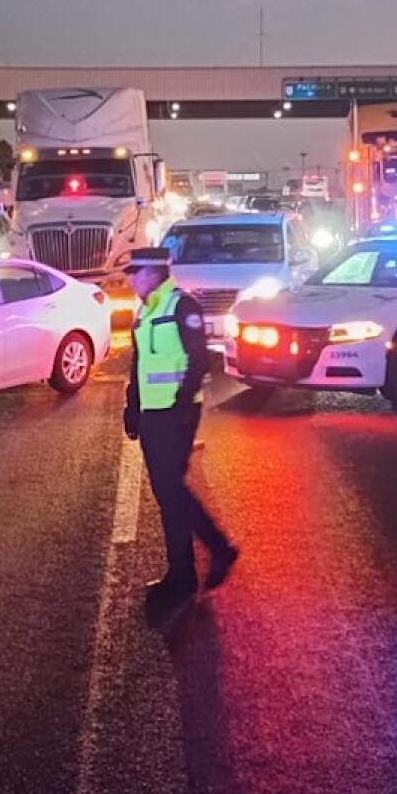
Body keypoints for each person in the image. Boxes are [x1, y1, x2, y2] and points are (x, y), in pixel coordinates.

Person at [124, 246, 239, 618]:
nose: (129, 279)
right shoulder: (146, 309)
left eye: (135, 272)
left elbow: (198, 358)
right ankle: (196, 564)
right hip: (153, 414)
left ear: (155, 273)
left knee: (171, 491)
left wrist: (180, 403)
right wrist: (133, 406)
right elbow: (139, 363)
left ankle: (189, 571)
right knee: (168, 492)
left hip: (176, 413)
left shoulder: (180, 306)